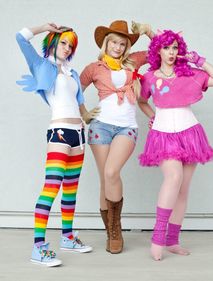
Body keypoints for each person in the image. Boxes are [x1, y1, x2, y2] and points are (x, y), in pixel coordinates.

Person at [138, 29, 213, 261]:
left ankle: (172, 241)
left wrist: (200, 61)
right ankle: (158, 237)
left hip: (190, 132)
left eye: (175, 47)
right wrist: (152, 116)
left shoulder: (189, 73)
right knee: (173, 178)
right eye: (167, 47)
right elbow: (142, 100)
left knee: (183, 189)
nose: (171, 52)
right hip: (163, 132)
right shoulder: (149, 77)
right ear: (158, 49)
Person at [16, 23, 92, 267]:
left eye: (70, 45)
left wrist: (91, 118)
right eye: (63, 42)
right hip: (59, 132)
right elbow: (20, 38)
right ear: (53, 42)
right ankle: (38, 247)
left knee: (70, 190)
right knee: (51, 187)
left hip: (78, 134)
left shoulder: (73, 73)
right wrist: (43, 26)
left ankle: (68, 237)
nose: (67, 48)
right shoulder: (41, 65)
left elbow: (79, 103)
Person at [79, 20, 154, 254]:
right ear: (106, 43)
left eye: (122, 43)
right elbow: (72, 89)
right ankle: (112, 232)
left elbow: (161, 49)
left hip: (126, 127)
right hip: (100, 126)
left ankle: (116, 226)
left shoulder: (134, 62)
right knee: (105, 179)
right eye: (114, 42)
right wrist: (84, 114)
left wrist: (148, 31)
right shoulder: (94, 67)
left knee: (112, 172)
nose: (118, 47)